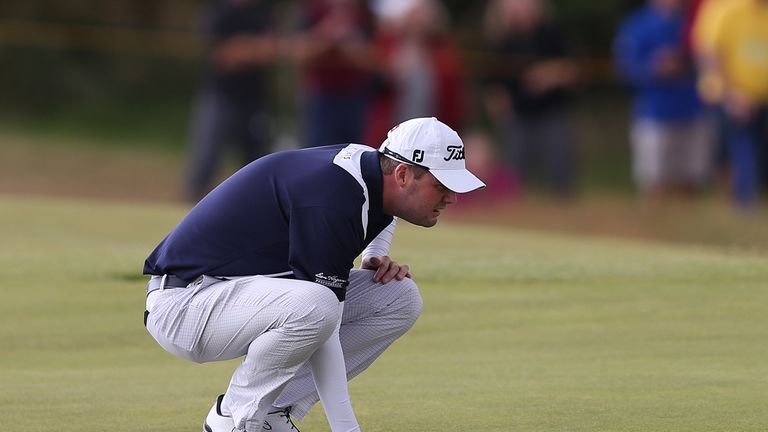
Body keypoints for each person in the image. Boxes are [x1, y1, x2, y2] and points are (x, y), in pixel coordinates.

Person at [142, 117, 485, 432]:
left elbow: (385, 209)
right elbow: (325, 325)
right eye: (441, 185)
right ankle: (234, 419)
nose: (453, 197)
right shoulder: (333, 197)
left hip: (231, 294)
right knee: (319, 304)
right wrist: (346, 427)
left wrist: (375, 255)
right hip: (185, 306)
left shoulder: (372, 168)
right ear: (403, 175)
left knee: (398, 297)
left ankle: (274, 411)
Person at [614, 0, 714, 201]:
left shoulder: (692, 21)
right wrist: (654, 67)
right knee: (653, 178)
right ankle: (652, 224)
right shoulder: (638, 24)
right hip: (654, 113)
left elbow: (709, 58)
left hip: (692, 109)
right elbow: (625, 68)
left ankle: (686, 225)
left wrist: (685, 63)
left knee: (691, 177)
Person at [482, 0, 581, 199]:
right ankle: (515, 208)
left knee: (560, 169)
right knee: (514, 172)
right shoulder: (501, 40)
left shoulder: (553, 35)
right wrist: (497, 102)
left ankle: (563, 206)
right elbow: (492, 82)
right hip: (518, 117)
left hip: (552, 114)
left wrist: (550, 74)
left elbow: (575, 72)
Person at [184, 0, 278, 202]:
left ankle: (256, 206)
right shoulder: (221, 12)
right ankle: (190, 206)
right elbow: (224, 57)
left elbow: (270, 51)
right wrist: (253, 48)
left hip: (255, 99)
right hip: (221, 95)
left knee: (256, 158)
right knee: (207, 155)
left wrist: (244, 47)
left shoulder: (261, 13)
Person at [363, 0, 468, 147]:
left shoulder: (442, 50)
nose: (418, 21)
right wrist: (392, 71)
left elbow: (454, 92)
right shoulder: (387, 44)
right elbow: (372, 84)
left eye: (422, 15)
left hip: (432, 132)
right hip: (392, 130)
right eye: (413, 15)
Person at [705, 0, 768, 207]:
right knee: (739, 153)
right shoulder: (726, 10)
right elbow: (712, 54)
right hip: (733, 98)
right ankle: (742, 207)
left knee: (758, 155)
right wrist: (732, 94)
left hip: (762, 99)